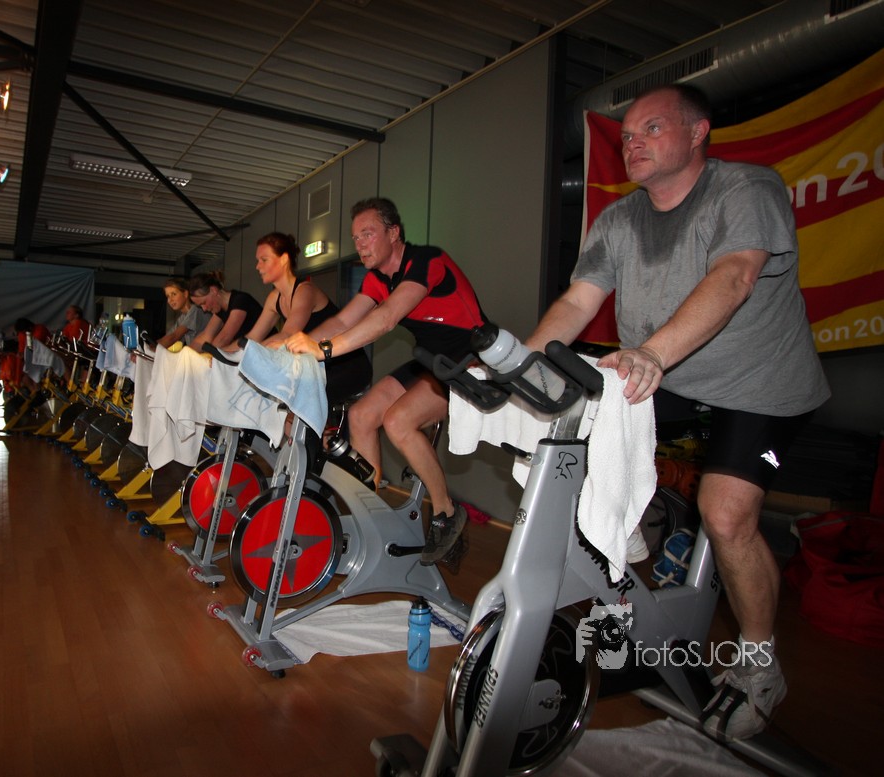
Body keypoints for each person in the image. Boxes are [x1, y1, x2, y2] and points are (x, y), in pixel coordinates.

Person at [525, 84, 829, 741]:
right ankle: (624, 553)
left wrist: (652, 353)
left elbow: (734, 277)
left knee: (725, 513)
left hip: (760, 385)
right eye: (628, 135)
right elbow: (577, 302)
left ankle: (759, 665)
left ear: (698, 133)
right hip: (671, 375)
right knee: (570, 440)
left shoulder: (746, 189)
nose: (633, 142)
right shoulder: (618, 220)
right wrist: (524, 365)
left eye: (652, 129)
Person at [285, 198, 488, 565]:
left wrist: (323, 350)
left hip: (469, 364)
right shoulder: (378, 278)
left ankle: (446, 511)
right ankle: (372, 518)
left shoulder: (427, 261)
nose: (360, 244)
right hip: (431, 363)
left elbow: (387, 318)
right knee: (361, 416)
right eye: (355, 238)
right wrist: (293, 349)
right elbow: (343, 322)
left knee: (397, 421)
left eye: (368, 234)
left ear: (394, 233)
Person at [244, 232, 372, 406]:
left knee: (294, 399)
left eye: (264, 260)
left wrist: (252, 352)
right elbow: (252, 338)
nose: (258, 266)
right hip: (317, 366)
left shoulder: (305, 291)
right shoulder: (274, 298)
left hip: (346, 365)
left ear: (284, 259)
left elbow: (288, 334)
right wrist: (223, 354)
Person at [187, 272, 264, 351]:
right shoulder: (220, 309)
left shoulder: (240, 301)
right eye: (200, 306)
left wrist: (210, 353)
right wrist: (186, 353)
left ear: (213, 290)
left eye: (204, 303)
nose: (204, 309)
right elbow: (205, 336)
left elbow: (224, 337)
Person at [156, 277, 210, 348]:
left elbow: (173, 337)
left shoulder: (196, 310)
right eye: (168, 296)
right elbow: (168, 336)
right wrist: (150, 346)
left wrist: (153, 348)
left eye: (174, 294)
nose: (170, 300)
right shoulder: (183, 317)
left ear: (185, 294)